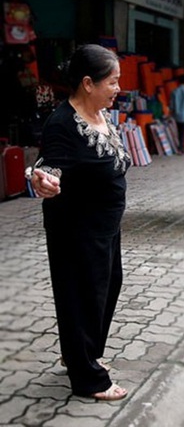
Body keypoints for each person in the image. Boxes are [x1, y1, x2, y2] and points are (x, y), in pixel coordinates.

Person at [26, 44, 131, 401]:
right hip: (77, 230)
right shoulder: (62, 124)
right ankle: (88, 378)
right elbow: (46, 168)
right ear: (88, 83)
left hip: (105, 227)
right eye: (113, 82)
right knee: (81, 298)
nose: (118, 88)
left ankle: (80, 355)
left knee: (106, 290)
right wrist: (43, 180)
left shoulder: (101, 115)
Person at [169, 74, 184, 154]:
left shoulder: (174, 92)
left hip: (177, 115)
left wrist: (170, 115)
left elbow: (171, 106)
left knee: (179, 131)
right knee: (183, 132)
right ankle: (181, 148)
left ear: (178, 82)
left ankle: (180, 147)